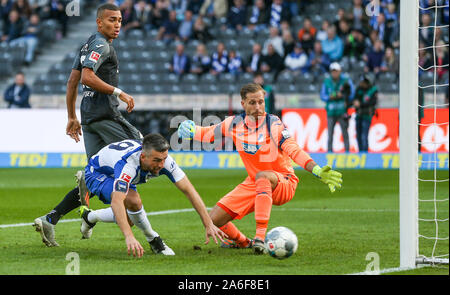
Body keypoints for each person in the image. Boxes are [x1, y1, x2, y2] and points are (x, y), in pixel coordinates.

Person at [177, 83, 343, 254]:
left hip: (283, 182)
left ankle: (260, 238)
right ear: (243, 104)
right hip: (254, 182)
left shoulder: (274, 124)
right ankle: (243, 242)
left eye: (261, 102)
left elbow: (294, 150)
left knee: (262, 176)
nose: (258, 107)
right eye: (252, 103)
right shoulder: (234, 124)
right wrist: (190, 129)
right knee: (214, 219)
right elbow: (208, 133)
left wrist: (316, 170)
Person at [33, 3, 141, 248]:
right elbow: (86, 77)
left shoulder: (88, 44)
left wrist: (72, 116)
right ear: (99, 22)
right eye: (112, 20)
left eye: (120, 20)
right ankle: (93, 218)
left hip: (89, 119)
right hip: (106, 117)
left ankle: (52, 218)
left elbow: (72, 80)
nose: (117, 25)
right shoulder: (101, 45)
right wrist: (119, 92)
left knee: (97, 175)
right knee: (144, 154)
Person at [78, 133, 226, 257]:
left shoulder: (165, 161)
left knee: (129, 219)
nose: (161, 165)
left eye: (163, 159)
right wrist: (129, 237)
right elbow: (117, 202)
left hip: (120, 173)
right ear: (143, 157)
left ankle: (90, 217)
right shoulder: (128, 165)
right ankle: (154, 240)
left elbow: (189, 190)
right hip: (97, 173)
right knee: (133, 200)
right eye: (156, 160)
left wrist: (208, 224)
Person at [320, 62, 355, 153]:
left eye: (336, 71)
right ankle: (329, 152)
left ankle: (347, 152)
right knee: (330, 133)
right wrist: (330, 97)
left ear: (340, 71)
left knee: (345, 133)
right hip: (331, 111)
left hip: (342, 111)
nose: (334, 73)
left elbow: (352, 93)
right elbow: (322, 96)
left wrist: (343, 96)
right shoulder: (327, 81)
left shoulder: (346, 80)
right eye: (333, 71)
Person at [353, 75, 378, 152]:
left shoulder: (373, 90)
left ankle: (365, 153)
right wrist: (355, 102)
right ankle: (360, 152)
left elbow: (373, 102)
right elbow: (355, 99)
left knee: (364, 136)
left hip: (367, 115)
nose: (361, 84)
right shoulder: (358, 89)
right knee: (358, 136)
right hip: (358, 115)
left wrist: (360, 104)